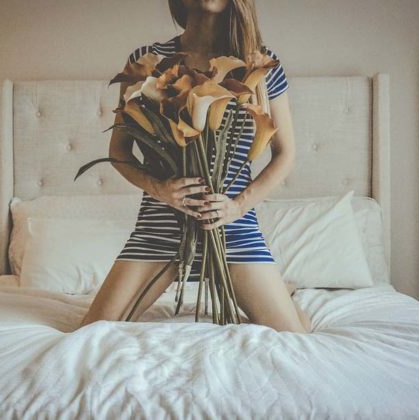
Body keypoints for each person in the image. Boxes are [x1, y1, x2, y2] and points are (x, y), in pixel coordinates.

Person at [79, 0, 311, 333]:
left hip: (231, 227)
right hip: (160, 227)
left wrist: (236, 207)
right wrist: (160, 189)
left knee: (295, 335)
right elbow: (119, 151)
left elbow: (285, 154)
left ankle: (284, 294)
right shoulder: (149, 59)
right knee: (91, 331)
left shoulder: (258, 63)